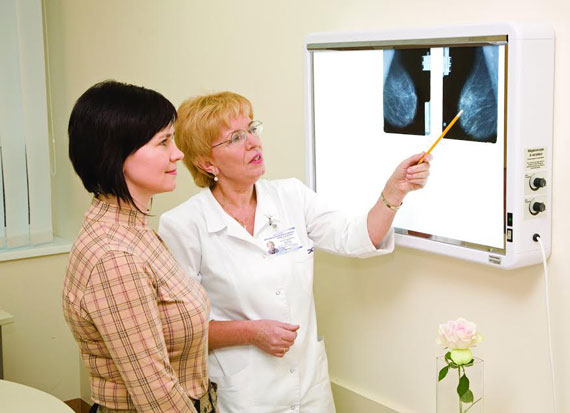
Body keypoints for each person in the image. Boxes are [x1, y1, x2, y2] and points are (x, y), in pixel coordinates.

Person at [158, 91, 431, 412]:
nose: (254, 143)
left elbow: (354, 237)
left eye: (252, 129)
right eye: (236, 138)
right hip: (244, 394)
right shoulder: (183, 225)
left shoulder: (291, 195)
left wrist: (394, 191)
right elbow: (179, 328)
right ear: (207, 162)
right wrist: (252, 333)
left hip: (308, 384)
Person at [63, 80, 217, 413]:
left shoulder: (134, 229)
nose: (178, 154)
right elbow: (155, 393)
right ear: (116, 154)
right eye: (163, 142)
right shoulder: (114, 257)